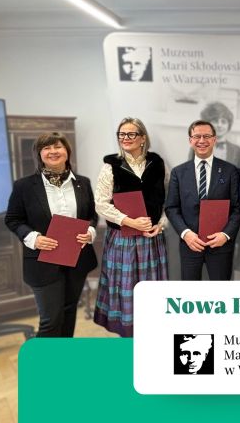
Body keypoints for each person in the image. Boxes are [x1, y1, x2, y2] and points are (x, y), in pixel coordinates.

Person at [5, 132, 98, 337]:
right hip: (42, 261)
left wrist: (90, 231)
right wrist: (33, 238)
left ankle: (61, 357)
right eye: (46, 148)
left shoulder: (83, 182)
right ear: (39, 154)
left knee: (69, 312)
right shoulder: (24, 186)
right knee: (51, 320)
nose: (53, 151)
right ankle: (44, 359)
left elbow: (92, 216)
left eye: (58, 146)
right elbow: (13, 219)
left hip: (77, 259)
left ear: (67, 151)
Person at [94, 117, 168, 337]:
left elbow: (168, 201)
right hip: (122, 240)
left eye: (131, 134)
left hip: (151, 239)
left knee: (150, 290)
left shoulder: (158, 164)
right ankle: (127, 336)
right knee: (125, 289)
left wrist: (161, 224)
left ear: (143, 138)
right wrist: (129, 221)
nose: (125, 138)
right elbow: (101, 204)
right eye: (122, 134)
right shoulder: (110, 166)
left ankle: (150, 336)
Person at [166, 120, 240, 280]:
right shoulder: (178, 173)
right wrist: (185, 234)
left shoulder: (230, 171)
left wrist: (225, 235)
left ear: (214, 139)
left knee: (221, 291)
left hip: (221, 246)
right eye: (197, 136)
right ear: (190, 140)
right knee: (191, 291)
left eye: (206, 136)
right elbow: (171, 208)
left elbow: (237, 209)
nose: (202, 141)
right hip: (190, 244)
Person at [188, 101, 240, 168]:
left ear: (228, 125)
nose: (219, 125)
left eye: (223, 122)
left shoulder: (237, 151)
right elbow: (190, 171)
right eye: (215, 121)